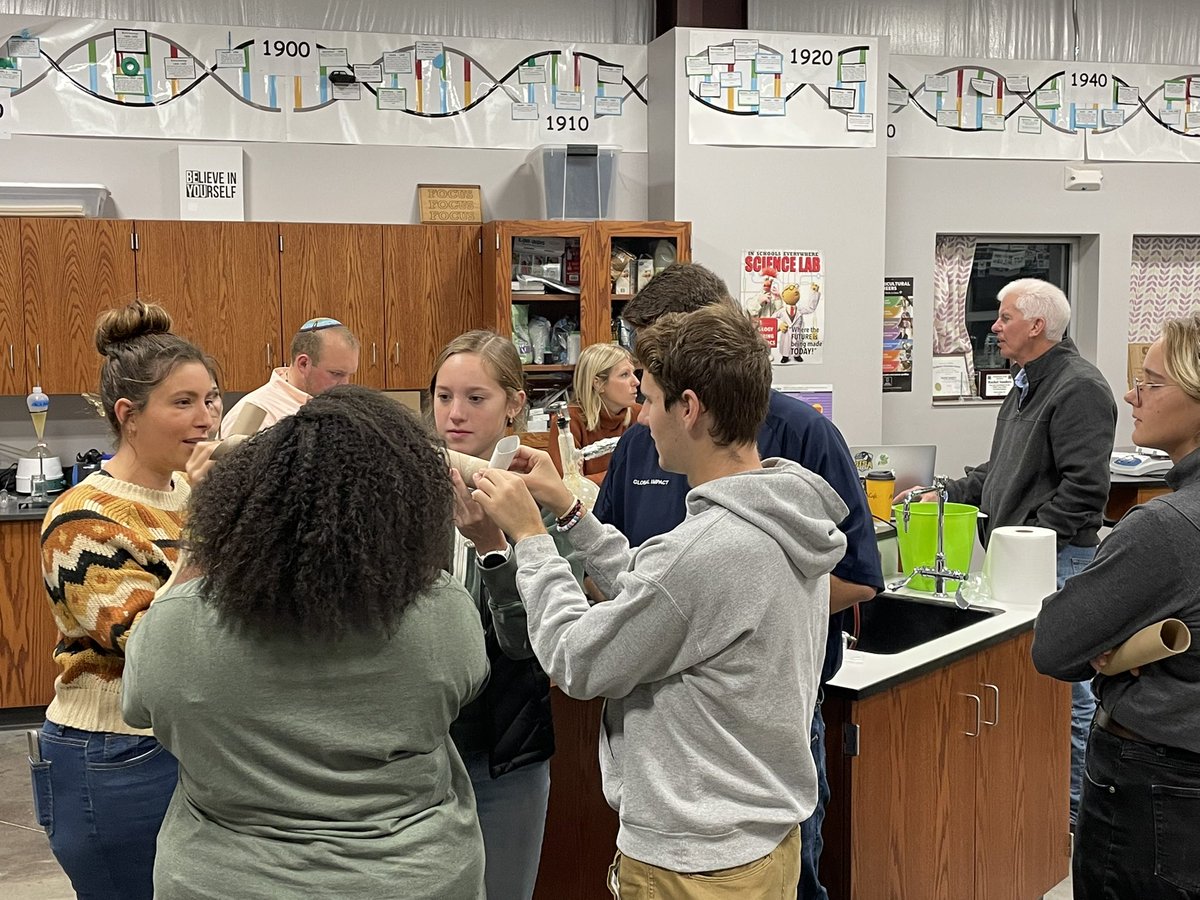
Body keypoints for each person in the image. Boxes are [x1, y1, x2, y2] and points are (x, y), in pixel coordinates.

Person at [472, 306, 848, 897]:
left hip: (695, 862)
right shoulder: (778, 516)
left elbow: (577, 659)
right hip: (762, 844)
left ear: (690, 408)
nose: (641, 419)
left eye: (648, 400)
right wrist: (572, 515)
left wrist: (531, 540)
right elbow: (661, 599)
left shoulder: (704, 549)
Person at [122, 386, 488, 900]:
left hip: (227, 878)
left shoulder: (183, 621)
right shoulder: (439, 608)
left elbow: (138, 706)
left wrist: (204, 538)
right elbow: (465, 687)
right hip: (412, 875)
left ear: (247, 502)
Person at [595, 262, 882, 900]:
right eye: (643, 371)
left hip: (761, 721)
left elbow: (855, 579)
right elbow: (623, 562)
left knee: (788, 874)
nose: (644, 392)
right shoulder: (645, 438)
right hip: (666, 741)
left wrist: (715, 610)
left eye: (657, 369)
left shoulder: (801, 434)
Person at [32, 300, 218, 900]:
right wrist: (213, 528)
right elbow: (148, 646)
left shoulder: (191, 495)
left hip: (192, 738)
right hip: (115, 753)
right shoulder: (83, 518)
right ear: (128, 415)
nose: (206, 418)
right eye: (183, 402)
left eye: (211, 398)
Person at [1031, 314, 1200, 899]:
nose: (1133, 394)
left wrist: (1112, 644)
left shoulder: (1166, 529)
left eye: (1151, 382)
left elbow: (1054, 645)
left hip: (1158, 788)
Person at [937, 277, 1117, 828]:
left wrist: (1029, 539)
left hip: (1052, 563)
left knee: (1069, 693)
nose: (994, 326)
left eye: (1004, 316)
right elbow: (1004, 469)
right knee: (1028, 688)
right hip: (1017, 560)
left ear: (1037, 326)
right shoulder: (1026, 383)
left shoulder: (1078, 387)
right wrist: (948, 490)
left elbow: (1086, 490)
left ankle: (1074, 811)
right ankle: (1040, 800)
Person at [430, 330, 582, 900]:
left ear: (515, 403)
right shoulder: (410, 488)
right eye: (444, 396)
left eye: (476, 398)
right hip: (420, 742)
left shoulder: (537, 496)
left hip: (502, 744)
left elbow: (532, 644)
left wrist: (494, 549)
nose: (455, 413)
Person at [219, 316, 359, 436]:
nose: (345, 385)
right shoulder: (255, 415)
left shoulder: (342, 407)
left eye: (349, 375)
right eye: (336, 374)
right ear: (303, 364)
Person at [565, 342, 641, 483]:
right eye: (624, 375)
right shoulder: (567, 421)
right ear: (598, 383)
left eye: (634, 373)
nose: (636, 382)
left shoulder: (641, 415)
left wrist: (590, 480)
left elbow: (645, 473)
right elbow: (568, 485)